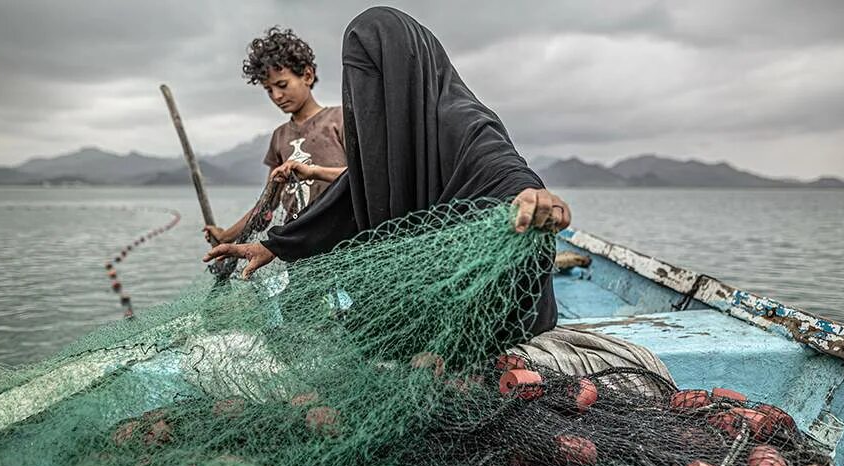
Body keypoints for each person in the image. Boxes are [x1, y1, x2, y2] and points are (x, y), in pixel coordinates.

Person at [204, 7, 571, 337]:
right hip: (421, 295)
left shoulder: (461, 119)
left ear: (404, 69)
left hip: (481, 303)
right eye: (357, 82)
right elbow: (350, 194)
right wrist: (275, 245)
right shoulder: (382, 136)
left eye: (375, 77)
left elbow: (502, 169)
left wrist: (532, 195)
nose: (365, 94)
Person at [203, 26, 347, 245]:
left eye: (282, 85)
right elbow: (268, 204)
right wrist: (226, 236)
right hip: (298, 244)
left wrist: (314, 172)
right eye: (269, 90)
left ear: (307, 75)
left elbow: (363, 178)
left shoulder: (339, 119)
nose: (277, 96)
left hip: (342, 238)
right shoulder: (280, 137)